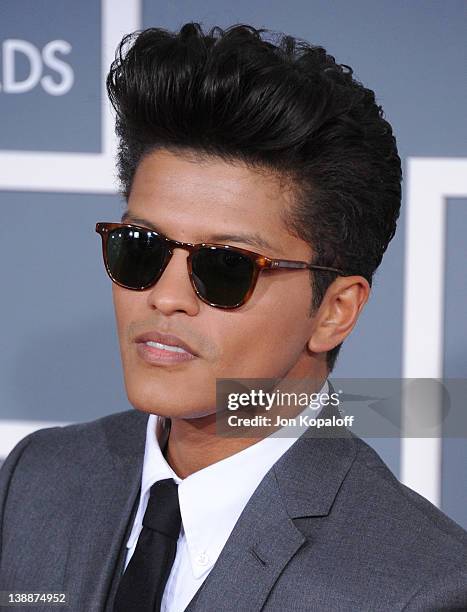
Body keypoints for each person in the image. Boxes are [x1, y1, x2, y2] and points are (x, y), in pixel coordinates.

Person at [1, 22, 466, 612]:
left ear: (335, 311)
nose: (166, 297)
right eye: (141, 246)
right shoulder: (35, 480)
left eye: (224, 267)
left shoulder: (419, 587)